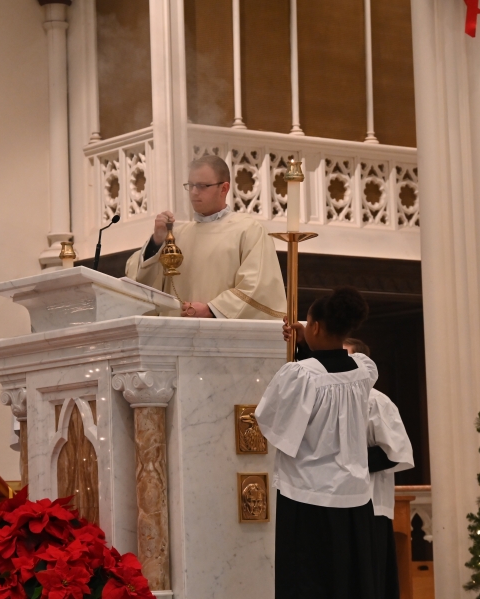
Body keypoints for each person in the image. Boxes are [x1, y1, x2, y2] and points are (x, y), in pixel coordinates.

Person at [254, 288, 379, 599]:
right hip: (355, 499)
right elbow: (331, 370)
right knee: (347, 583)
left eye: (307, 322)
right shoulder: (363, 369)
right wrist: (304, 343)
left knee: (309, 583)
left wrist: (301, 353)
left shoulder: (300, 375)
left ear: (316, 327)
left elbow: (273, 423)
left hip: (308, 498)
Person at [124, 154, 286, 319]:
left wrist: (212, 310)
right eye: (191, 185)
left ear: (224, 188)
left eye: (202, 186)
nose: (194, 192)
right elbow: (139, 284)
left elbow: (258, 287)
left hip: (222, 338)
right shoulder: (176, 235)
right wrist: (157, 240)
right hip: (173, 338)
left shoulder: (249, 230)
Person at [343, 338, 414, 599]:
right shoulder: (330, 396)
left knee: (369, 581)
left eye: (344, 358)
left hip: (369, 505)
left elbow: (393, 453)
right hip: (338, 502)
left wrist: (345, 461)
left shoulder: (376, 401)